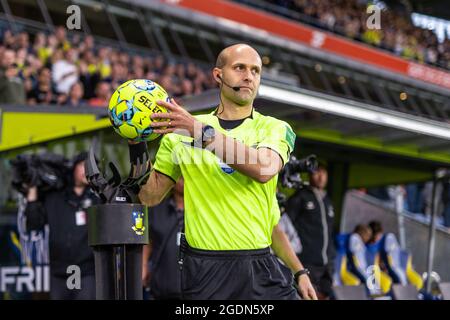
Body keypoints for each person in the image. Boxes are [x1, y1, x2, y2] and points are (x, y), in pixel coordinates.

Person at [128, 44, 316, 300]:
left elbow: (264, 169)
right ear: (218, 75)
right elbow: (150, 197)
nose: (248, 76)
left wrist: (299, 271)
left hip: (260, 267)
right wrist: (137, 142)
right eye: (239, 68)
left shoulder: (273, 128)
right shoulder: (180, 134)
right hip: (205, 270)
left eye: (255, 71)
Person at [24, 152, 98, 299]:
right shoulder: (55, 196)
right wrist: (32, 192)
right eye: (83, 166)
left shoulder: (98, 198)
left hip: (85, 272)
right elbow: (34, 224)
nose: (87, 170)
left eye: (92, 167)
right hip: (59, 272)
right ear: (73, 169)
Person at [285, 163, 335, 299]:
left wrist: (331, 257)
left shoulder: (328, 201)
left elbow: (329, 233)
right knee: (306, 295)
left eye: (323, 173)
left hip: (326, 263)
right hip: (306, 261)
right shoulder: (300, 197)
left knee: (324, 295)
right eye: (317, 172)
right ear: (309, 175)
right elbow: (285, 226)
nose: (320, 176)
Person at [142, 178, 185, 300]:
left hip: (196, 286)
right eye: (180, 177)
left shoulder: (203, 211)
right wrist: (143, 266)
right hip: (162, 284)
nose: (184, 180)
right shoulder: (155, 210)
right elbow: (148, 240)